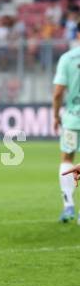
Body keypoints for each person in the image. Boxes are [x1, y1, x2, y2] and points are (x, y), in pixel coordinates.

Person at [53, 22, 80, 223]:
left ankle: (68, 205)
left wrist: (56, 115)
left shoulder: (68, 58)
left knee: (67, 158)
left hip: (72, 118)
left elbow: (58, 92)